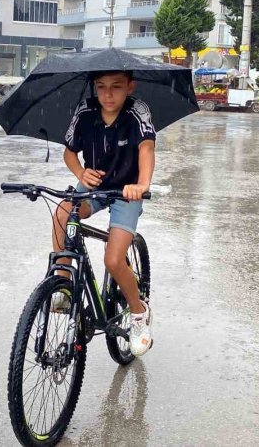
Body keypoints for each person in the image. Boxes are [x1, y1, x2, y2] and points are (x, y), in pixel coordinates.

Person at [53, 70, 156, 357]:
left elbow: (147, 149)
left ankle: (138, 313)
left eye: (116, 87)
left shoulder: (138, 111)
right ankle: (63, 282)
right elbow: (69, 152)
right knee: (63, 210)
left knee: (113, 259)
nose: (108, 95)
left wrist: (142, 184)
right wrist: (80, 173)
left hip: (127, 191)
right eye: (101, 87)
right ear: (94, 88)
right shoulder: (85, 110)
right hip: (94, 186)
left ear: (130, 87)